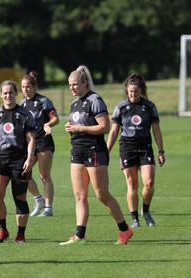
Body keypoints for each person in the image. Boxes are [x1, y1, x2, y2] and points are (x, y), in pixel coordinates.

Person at [60, 65, 133, 246]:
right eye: (69, 85)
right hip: (77, 150)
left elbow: (105, 127)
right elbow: (79, 126)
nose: (72, 88)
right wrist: (72, 130)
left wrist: (79, 128)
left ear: (85, 83)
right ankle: (79, 236)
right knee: (79, 195)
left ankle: (125, 229)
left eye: (75, 84)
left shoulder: (95, 99)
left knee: (101, 194)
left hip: (94, 150)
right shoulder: (74, 103)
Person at [107, 73, 165, 228]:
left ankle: (145, 211)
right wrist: (106, 151)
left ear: (142, 91)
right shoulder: (120, 107)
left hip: (145, 148)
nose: (133, 94)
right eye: (130, 91)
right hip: (127, 148)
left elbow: (156, 130)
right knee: (132, 185)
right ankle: (134, 218)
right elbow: (113, 132)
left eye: (136, 91)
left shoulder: (150, 107)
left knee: (149, 182)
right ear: (127, 91)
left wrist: (161, 151)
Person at [0, 80, 36, 244]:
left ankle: (20, 234)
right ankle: (2, 229)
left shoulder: (26, 114)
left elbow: (31, 138)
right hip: (0, 158)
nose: (8, 95)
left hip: (20, 159)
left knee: (20, 197)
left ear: (16, 94)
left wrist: (29, 157)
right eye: (4, 93)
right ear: (0, 94)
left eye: (11, 92)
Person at [20, 71, 59, 217]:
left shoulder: (44, 101)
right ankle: (38, 199)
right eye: (23, 87)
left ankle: (48, 208)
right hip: (30, 144)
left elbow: (55, 119)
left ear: (34, 86)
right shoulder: (22, 103)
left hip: (44, 142)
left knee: (44, 176)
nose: (25, 89)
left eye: (28, 86)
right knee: (23, 172)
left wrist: (47, 124)